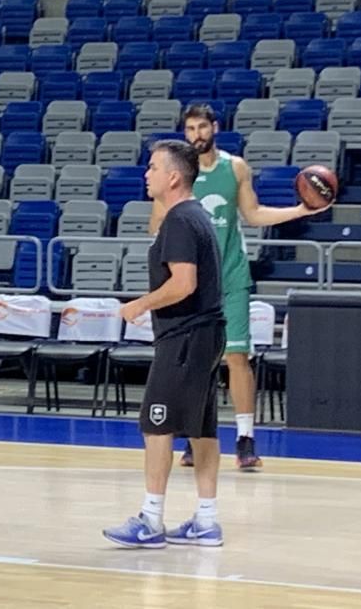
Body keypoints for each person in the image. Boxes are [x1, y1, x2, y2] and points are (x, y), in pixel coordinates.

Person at [150, 104, 326, 470]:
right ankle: (194, 435)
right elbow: (157, 228)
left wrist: (299, 211)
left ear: (215, 128)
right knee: (196, 362)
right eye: (190, 129)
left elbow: (254, 214)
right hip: (191, 282)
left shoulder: (236, 168)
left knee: (237, 358)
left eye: (202, 127)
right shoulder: (177, 175)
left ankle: (245, 440)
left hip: (230, 277)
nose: (196, 134)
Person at [103, 140, 226, 549]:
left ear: (173, 176)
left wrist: (140, 304)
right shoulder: (196, 215)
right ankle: (206, 520)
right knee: (202, 429)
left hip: (186, 336)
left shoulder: (179, 221)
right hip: (206, 334)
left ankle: (150, 520)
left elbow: (184, 283)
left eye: (153, 167)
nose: (146, 174)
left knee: (156, 425)